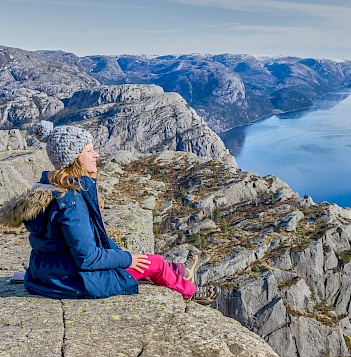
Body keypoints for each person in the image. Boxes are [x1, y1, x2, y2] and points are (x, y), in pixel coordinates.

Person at [0, 121, 203, 300]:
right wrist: (128, 259)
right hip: (74, 281)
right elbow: (87, 258)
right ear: (74, 159)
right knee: (155, 263)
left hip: (44, 275)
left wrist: (126, 256)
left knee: (140, 259)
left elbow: (87, 242)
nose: (96, 154)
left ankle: (178, 270)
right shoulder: (70, 201)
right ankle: (191, 292)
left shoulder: (48, 190)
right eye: (89, 151)